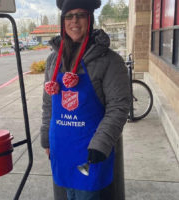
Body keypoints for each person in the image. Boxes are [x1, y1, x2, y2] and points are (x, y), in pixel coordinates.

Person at [40, 0, 131, 199]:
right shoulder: (53, 60)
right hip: (61, 150)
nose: (75, 21)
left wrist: (101, 143)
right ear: (62, 21)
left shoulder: (109, 61)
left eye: (80, 15)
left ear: (90, 19)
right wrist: (46, 137)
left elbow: (119, 107)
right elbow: (48, 105)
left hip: (91, 151)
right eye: (69, 16)